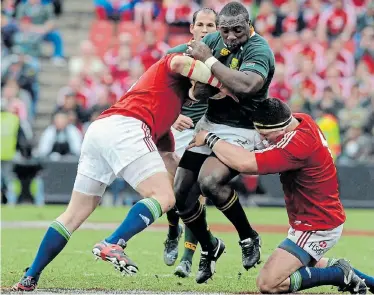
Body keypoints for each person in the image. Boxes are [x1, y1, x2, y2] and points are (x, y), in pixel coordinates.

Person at [12, 52, 231, 291]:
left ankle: (30, 277)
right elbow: (179, 62)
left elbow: (169, 161)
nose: (196, 99)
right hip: (127, 128)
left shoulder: (167, 109)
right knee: (162, 197)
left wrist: (192, 182)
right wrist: (223, 83)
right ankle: (113, 242)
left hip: (100, 131)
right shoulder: (173, 64)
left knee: (74, 213)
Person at [189, 97, 372, 294]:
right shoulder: (302, 120)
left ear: (282, 129)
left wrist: (209, 138)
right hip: (317, 217)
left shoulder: (296, 146)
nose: (264, 140)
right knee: (312, 263)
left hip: (316, 225)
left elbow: (246, 164)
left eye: (267, 135)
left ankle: (338, 275)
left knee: (269, 283)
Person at [173, 1, 275, 283]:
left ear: (249, 25)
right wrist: (200, 87)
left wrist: (210, 63)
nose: (230, 37)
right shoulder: (212, 40)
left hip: (243, 129)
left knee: (210, 182)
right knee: (181, 191)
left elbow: (246, 86)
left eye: (237, 31)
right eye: (225, 31)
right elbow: (193, 79)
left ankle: (248, 237)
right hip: (210, 124)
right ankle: (209, 246)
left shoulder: (259, 49)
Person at [162, 7, 218, 278]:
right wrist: (173, 118)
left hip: (208, 132)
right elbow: (158, 95)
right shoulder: (175, 55)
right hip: (178, 129)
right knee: (172, 193)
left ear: (218, 30)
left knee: (196, 194)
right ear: (192, 28)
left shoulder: (225, 58)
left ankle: (187, 258)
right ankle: (173, 230)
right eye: (201, 24)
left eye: (211, 25)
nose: (205, 29)